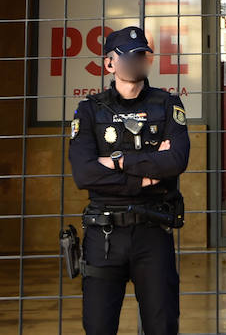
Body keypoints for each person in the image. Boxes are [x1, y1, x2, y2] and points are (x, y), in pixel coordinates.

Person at [67, 25, 190, 335]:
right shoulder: (89, 110)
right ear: (109, 63)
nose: (136, 62)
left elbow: (175, 161)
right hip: (104, 234)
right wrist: (143, 179)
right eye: (128, 57)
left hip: (152, 231)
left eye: (141, 56)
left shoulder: (167, 105)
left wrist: (117, 161)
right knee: (98, 326)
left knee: (162, 325)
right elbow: (84, 173)